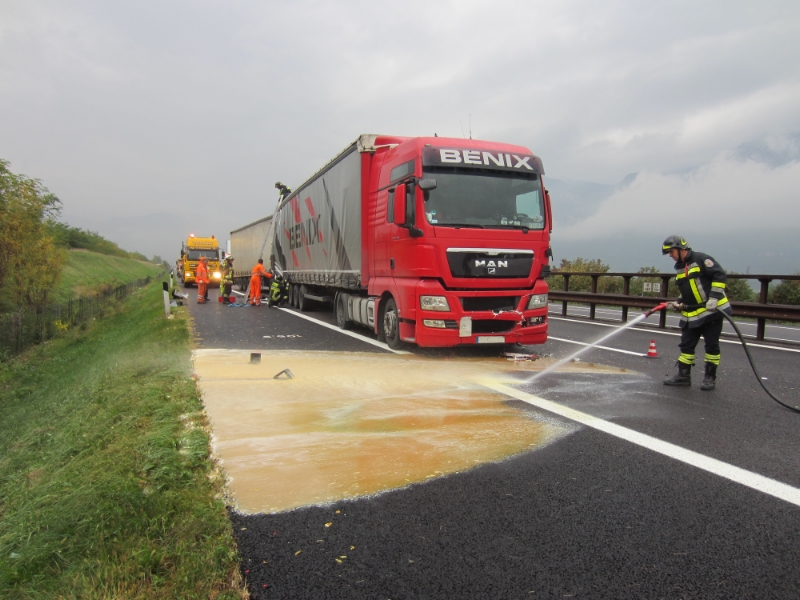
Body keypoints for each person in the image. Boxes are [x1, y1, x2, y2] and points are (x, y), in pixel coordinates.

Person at [661, 235, 732, 391]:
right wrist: (679, 301)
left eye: (671, 252)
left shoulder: (701, 259)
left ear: (680, 249)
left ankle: (709, 378)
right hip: (693, 313)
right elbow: (689, 289)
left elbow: (720, 275)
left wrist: (714, 297)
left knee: (711, 346)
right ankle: (683, 376)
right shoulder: (680, 267)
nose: (670, 256)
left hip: (712, 312)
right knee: (686, 345)